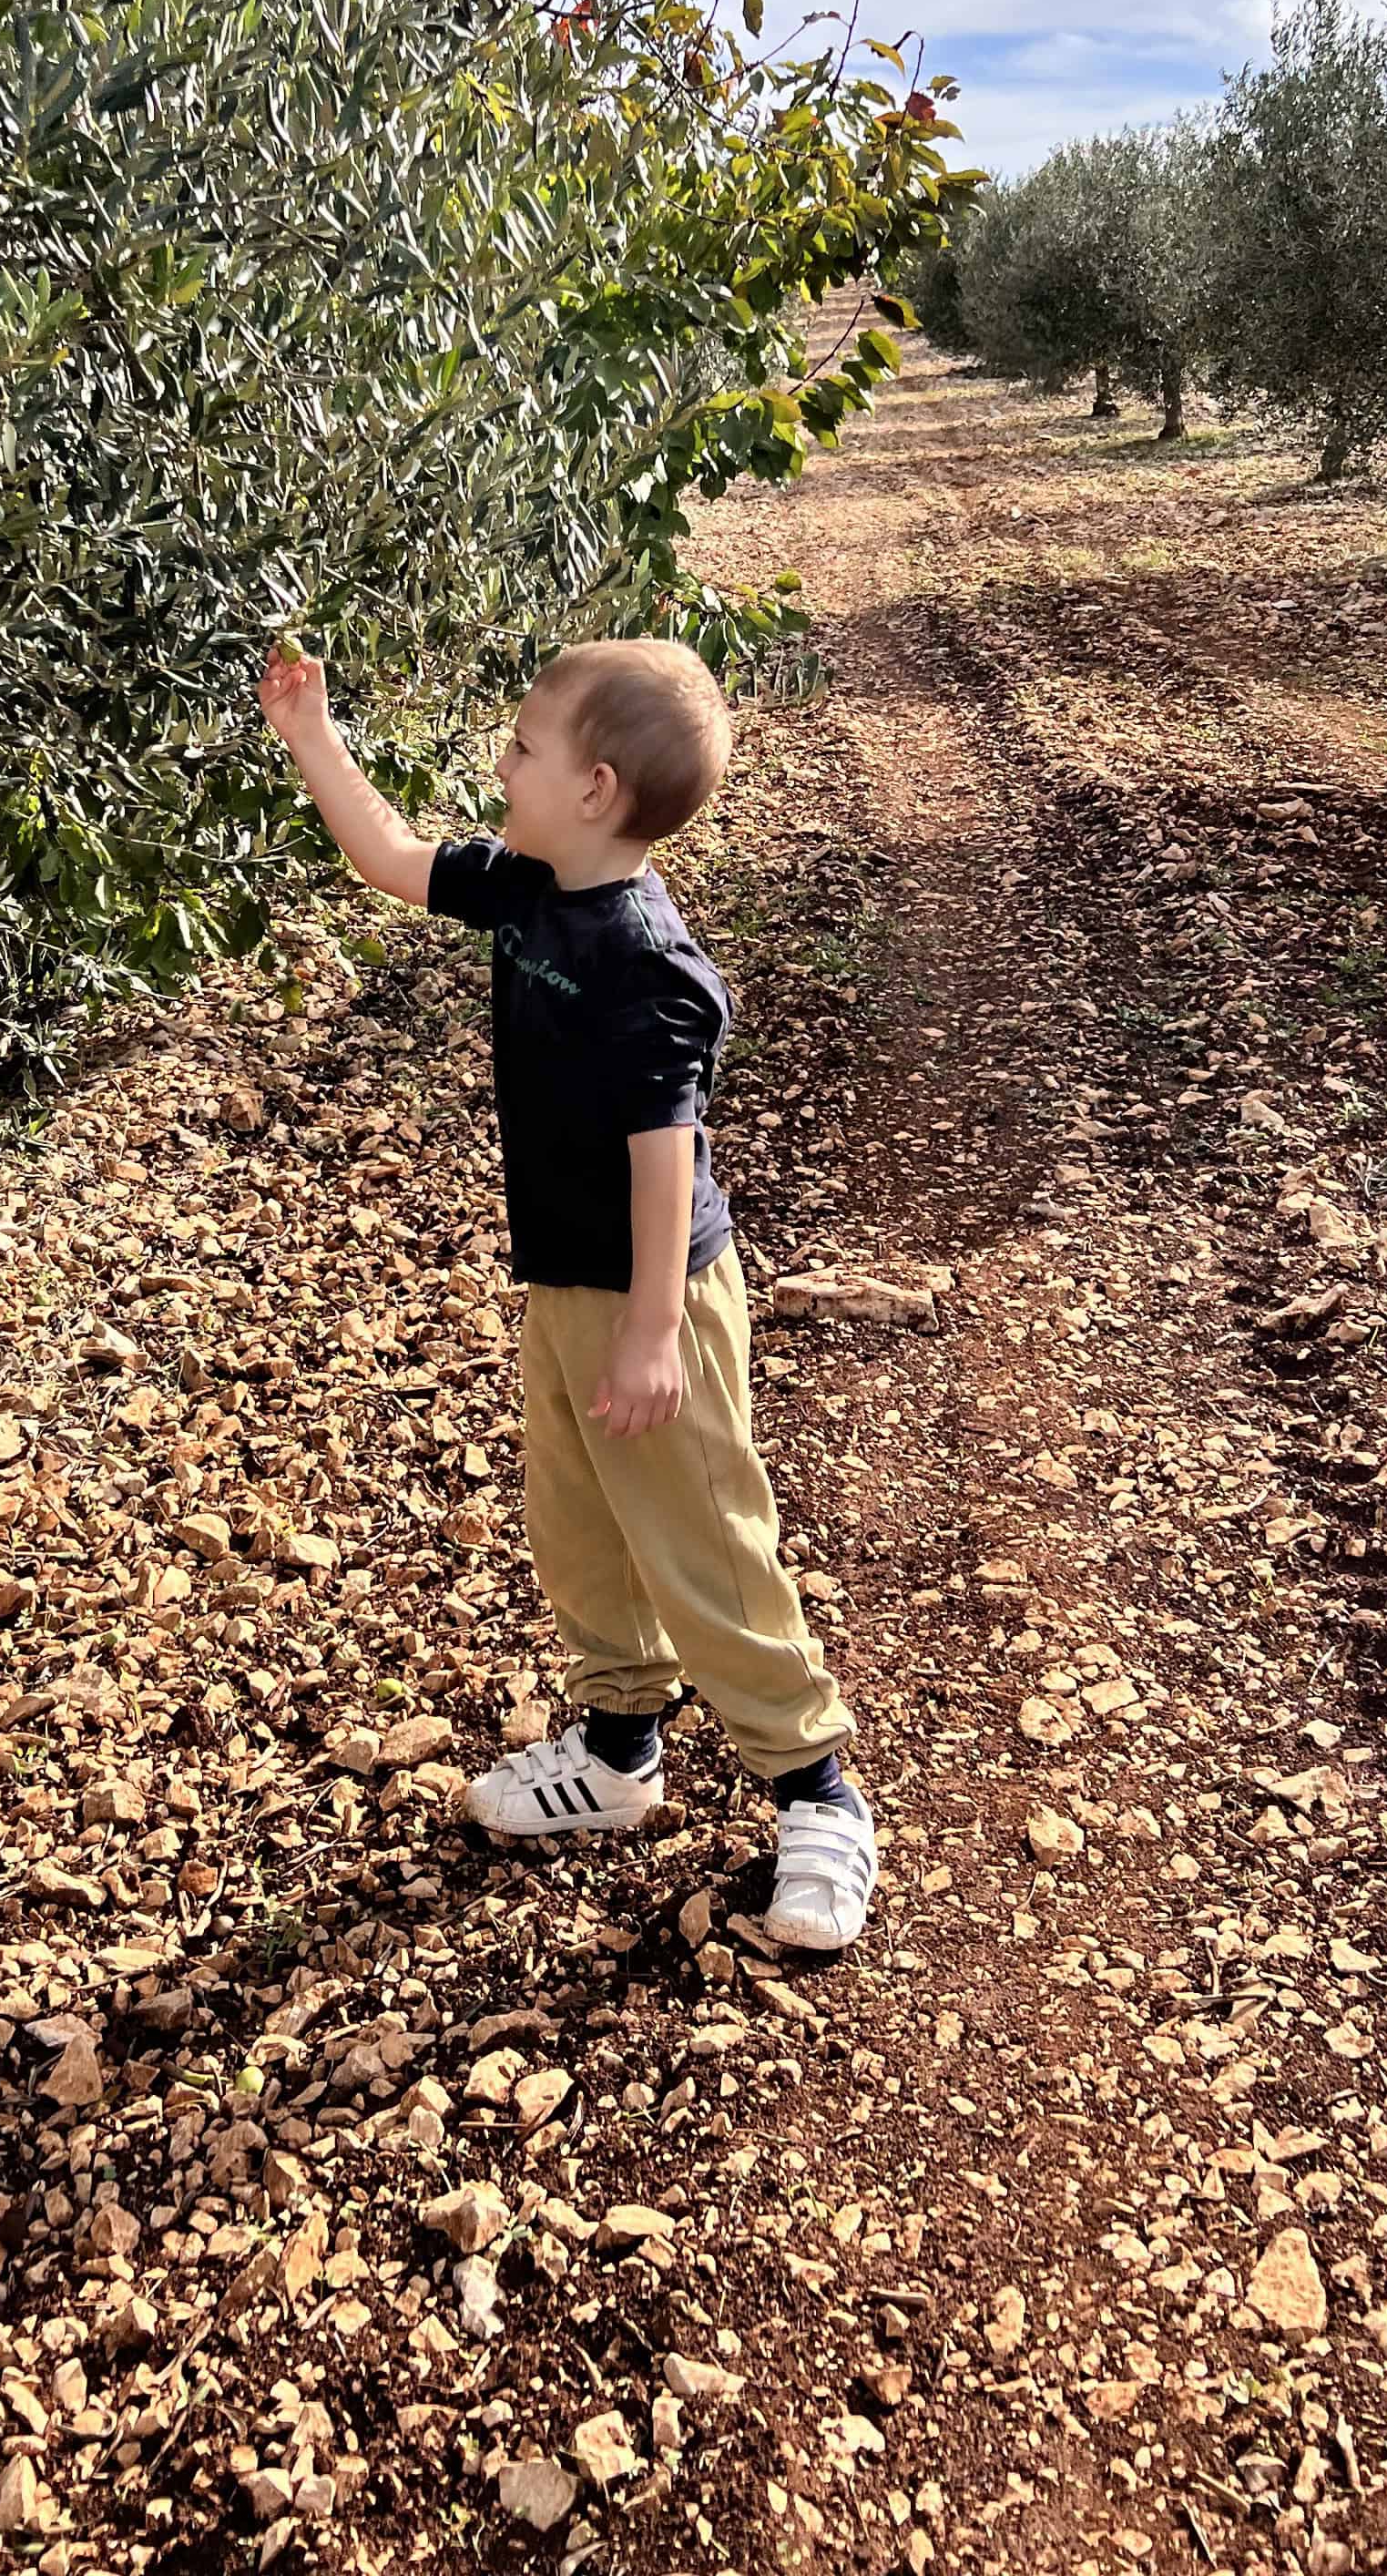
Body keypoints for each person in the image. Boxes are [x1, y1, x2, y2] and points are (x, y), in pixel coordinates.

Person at [257, 632, 878, 1953]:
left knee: (704, 1542)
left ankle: (815, 1789)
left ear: (595, 790)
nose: (501, 765)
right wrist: (313, 737)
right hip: (565, 1285)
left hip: (657, 1298)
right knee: (581, 1522)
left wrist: (652, 1331)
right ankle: (616, 1746)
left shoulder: (643, 960)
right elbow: (390, 857)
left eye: (523, 748)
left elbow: (666, 1156)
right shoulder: (528, 886)